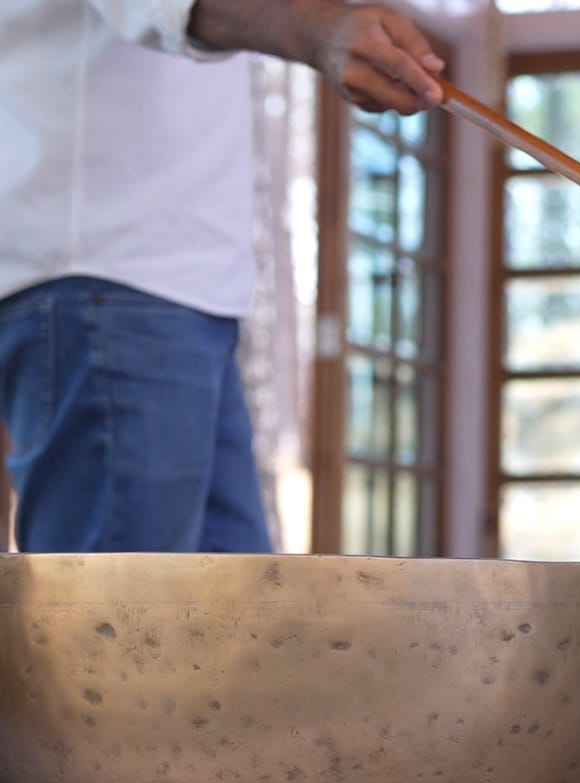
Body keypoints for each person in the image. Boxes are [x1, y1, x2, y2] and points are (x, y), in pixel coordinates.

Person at [0, 1, 444, 553]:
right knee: (118, 624)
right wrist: (321, 28)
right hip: (107, 270)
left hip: (166, 285)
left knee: (225, 624)